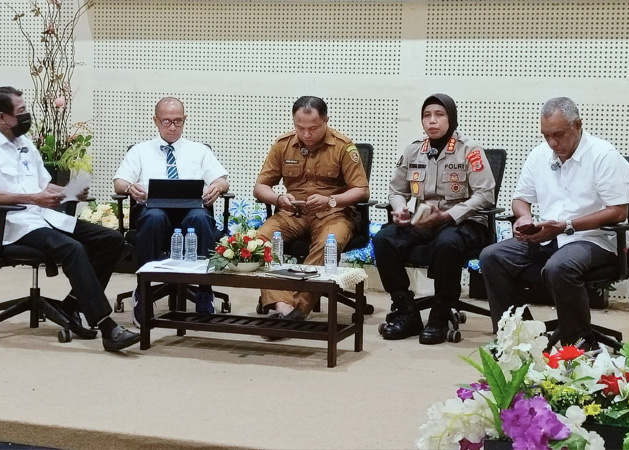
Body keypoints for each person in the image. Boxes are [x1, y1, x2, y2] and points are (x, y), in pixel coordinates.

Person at [0, 86, 140, 352]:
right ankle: (107, 327)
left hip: (42, 217)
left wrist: (69, 193)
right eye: (21, 111)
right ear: (2, 117)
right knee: (72, 248)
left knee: (111, 240)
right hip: (12, 225)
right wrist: (33, 199)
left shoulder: (23, 143)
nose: (27, 115)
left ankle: (71, 306)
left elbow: (44, 185)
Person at [480, 97, 629, 350]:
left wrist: (566, 226)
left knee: (559, 267)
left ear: (578, 125)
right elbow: (520, 198)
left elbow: (618, 211)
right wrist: (524, 217)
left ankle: (579, 348)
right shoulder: (540, 154)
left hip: (595, 239)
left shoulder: (604, 156)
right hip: (551, 236)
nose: (552, 142)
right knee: (492, 256)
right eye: (546, 135)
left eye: (559, 134)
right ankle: (519, 340)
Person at [373, 93, 495, 345]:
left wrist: (449, 215)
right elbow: (396, 191)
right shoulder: (414, 150)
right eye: (427, 115)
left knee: (447, 243)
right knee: (385, 239)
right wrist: (400, 209)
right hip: (424, 220)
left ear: (451, 119)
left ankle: (440, 313)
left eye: (439, 115)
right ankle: (406, 311)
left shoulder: (469, 150)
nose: (432, 121)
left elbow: (485, 194)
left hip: (463, 221)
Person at [113, 97, 229, 323]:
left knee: (200, 218)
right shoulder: (140, 151)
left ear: (185, 120)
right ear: (156, 121)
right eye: (166, 121)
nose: (173, 127)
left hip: (191, 212)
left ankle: (205, 290)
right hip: (153, 211)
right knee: (154, 217)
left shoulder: (199, 150)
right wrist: (129, 188)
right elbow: (119, 182)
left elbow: (222, 180)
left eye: (178, 121)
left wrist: (217, 186)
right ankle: (144, 291)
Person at [253, 96, 369, 320]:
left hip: (333, 214)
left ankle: (298, 308)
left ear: (326, 121)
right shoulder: (283, 144)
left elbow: (362, 190)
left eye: (313, 128)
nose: (306, 134)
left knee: (328, 245)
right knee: (259, 241)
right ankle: (283, 306)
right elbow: (260, 187)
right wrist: (278, 199)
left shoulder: (343, 146)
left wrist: (331, 200)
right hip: (292, 214)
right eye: (300, 128)